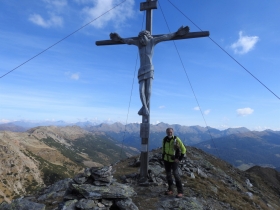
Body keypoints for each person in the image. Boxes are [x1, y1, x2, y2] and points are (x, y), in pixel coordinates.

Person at [110, 26, 189, 116]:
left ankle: (144, 108)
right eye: (141, 38)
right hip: (141, 69)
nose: (142, 40)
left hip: (150, 68)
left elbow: (165, 37)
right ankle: (145, 107)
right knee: (141, 90)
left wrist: (176, 33)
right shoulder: (138, 43)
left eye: (144, 37)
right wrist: (119, 39)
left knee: (148, 89)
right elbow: (128, 41)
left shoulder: (152, 41)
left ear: (148, 37)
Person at [162, 127, 186, 198]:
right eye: (168, 132)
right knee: (168, 175)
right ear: (166, 132)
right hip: (166, 159)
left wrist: (180, 158)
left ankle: (180, 192)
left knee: (176, 174)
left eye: (171, 132)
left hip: (174, 160)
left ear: (173, 132)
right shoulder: (164, 139)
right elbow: (163, 149)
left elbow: (183, 149)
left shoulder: (176, 139)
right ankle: (170, 190)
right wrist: (163, 157)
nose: (170, 133)